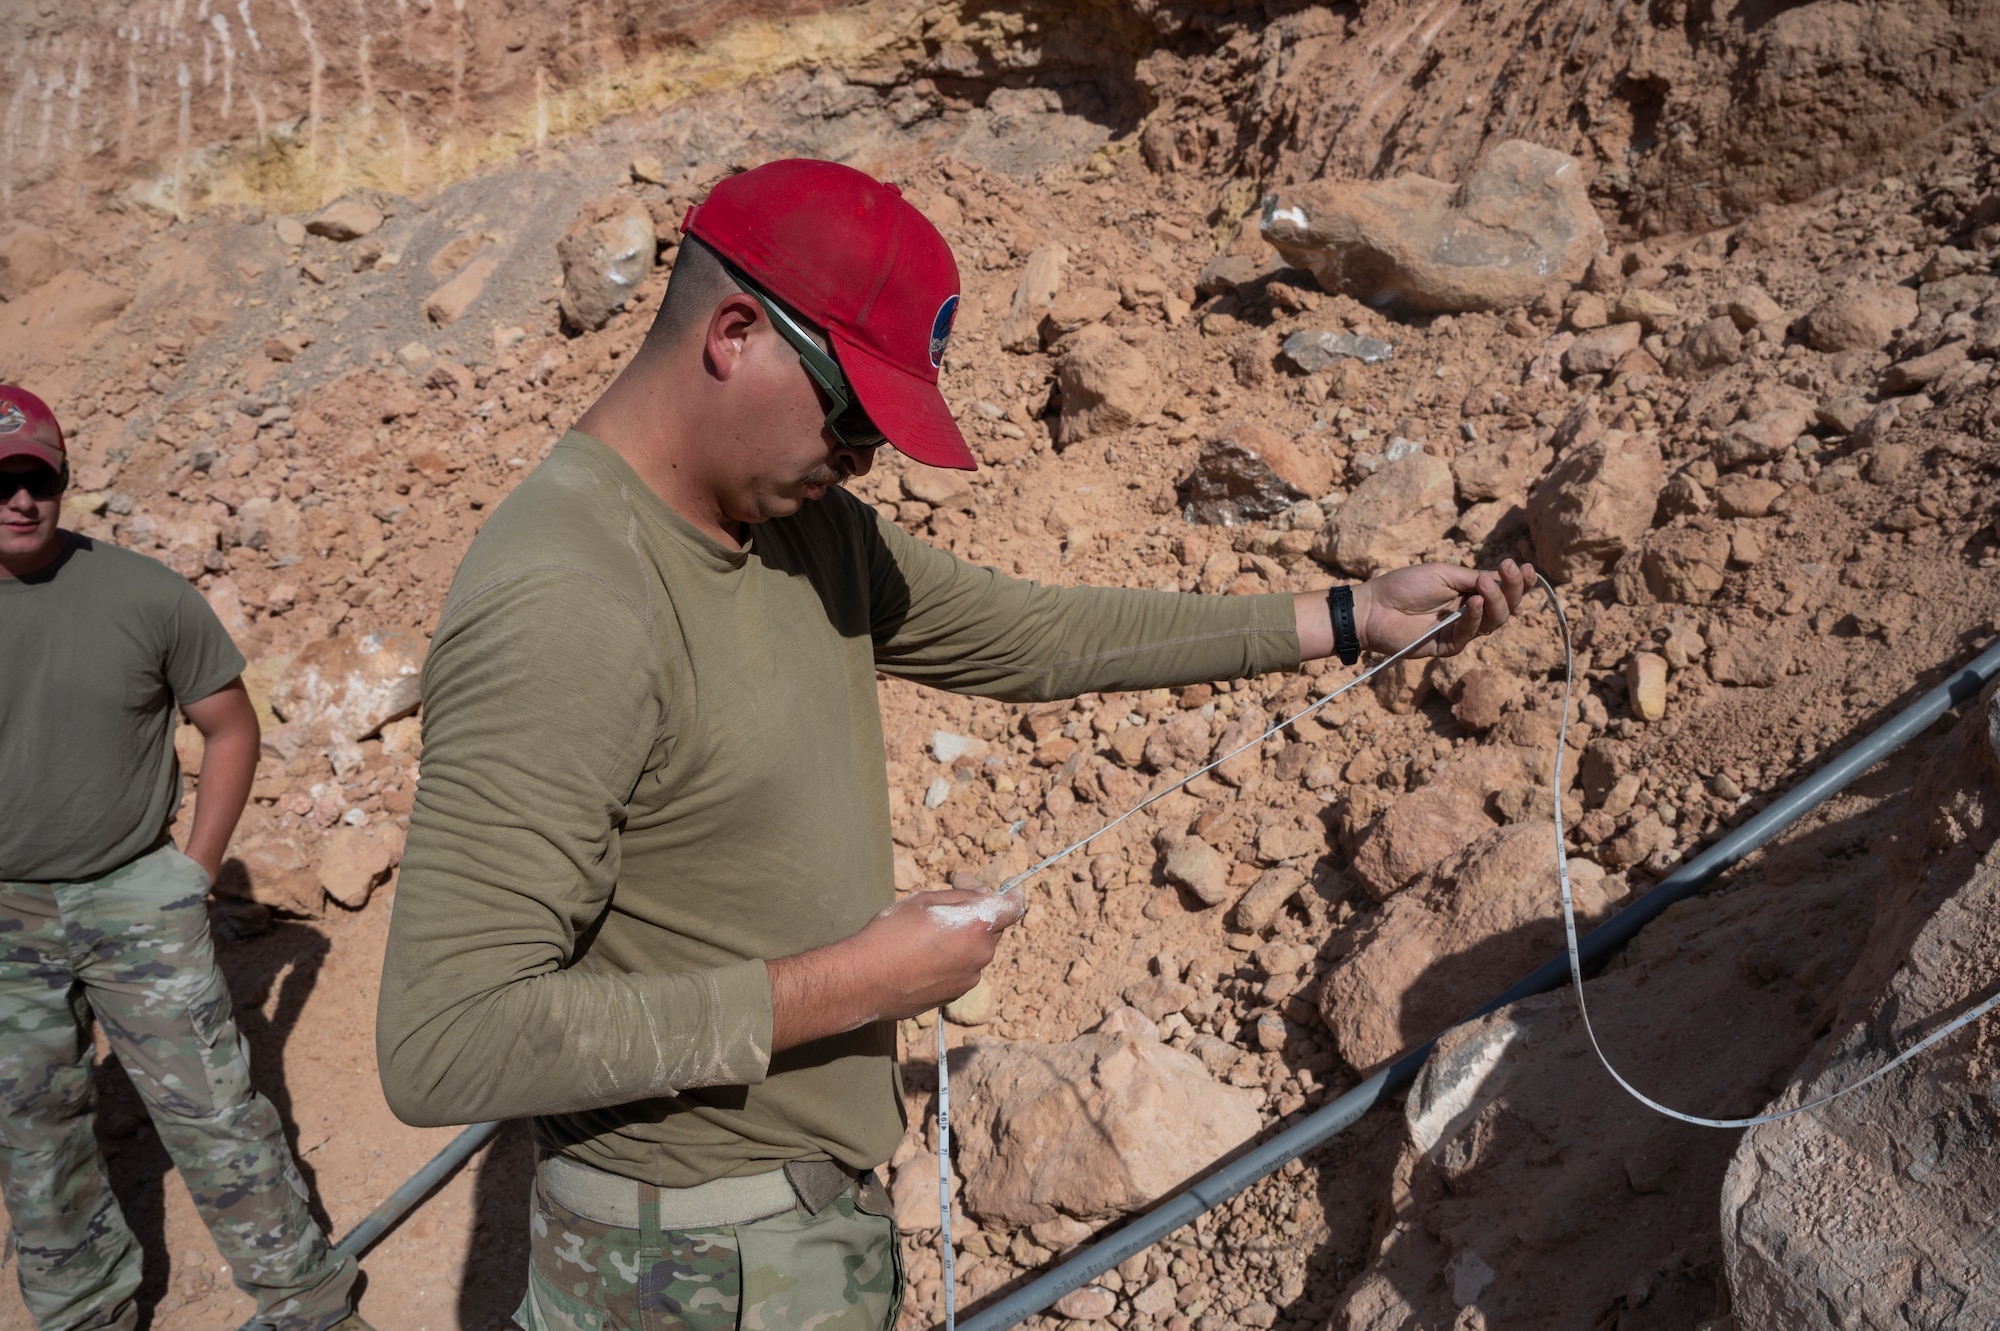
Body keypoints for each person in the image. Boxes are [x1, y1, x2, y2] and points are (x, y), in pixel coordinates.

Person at [375, 159, 1530, 1330]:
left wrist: (1346, 617)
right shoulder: (565, 600)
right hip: (678, 1274)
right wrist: (858, 984)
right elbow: (448, 1041)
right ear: (733, 332)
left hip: (794, 1244)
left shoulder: (802, 526)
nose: (862, 461)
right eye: (852, 419)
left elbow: (1028, 635)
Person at [0, 388, 371, 1331]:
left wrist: (194, 873)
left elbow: (231, 727)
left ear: (63, 481)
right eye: (1, 482)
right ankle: (86, 1308)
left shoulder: (143, 593)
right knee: (35, 1133)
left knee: (216, 1114)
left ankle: (308, 1301)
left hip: (135, 894)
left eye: (36, 480)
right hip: (6, 917)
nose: (19, 501)